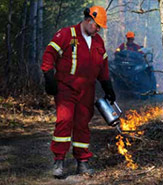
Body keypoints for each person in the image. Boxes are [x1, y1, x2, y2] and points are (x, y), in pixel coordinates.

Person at [41, 5, 116, 178]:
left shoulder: (98, 42)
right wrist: (48, 76)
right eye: (97, 26)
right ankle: (58, 162)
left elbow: (103, 67)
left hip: (87, 91)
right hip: (66, 88)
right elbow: (49, 54)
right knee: (64, 121)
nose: (98, 30)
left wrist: (107, 86)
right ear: (89, 20)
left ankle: (82, 163)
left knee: (82, 126)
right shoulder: (67, 34)